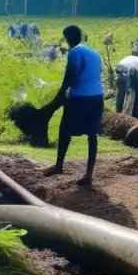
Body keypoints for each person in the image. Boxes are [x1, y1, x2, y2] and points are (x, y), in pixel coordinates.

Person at [43, 25, 104, 186]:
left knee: (65, 130)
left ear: (69, 38)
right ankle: (89, 175)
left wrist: (61, 94)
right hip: (98, 96)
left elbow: (70, 76)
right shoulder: (95, 54)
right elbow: (97, 74)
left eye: (66, 38)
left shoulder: (75, 52)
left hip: (80, 97)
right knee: (92, 134)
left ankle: (58, 165)